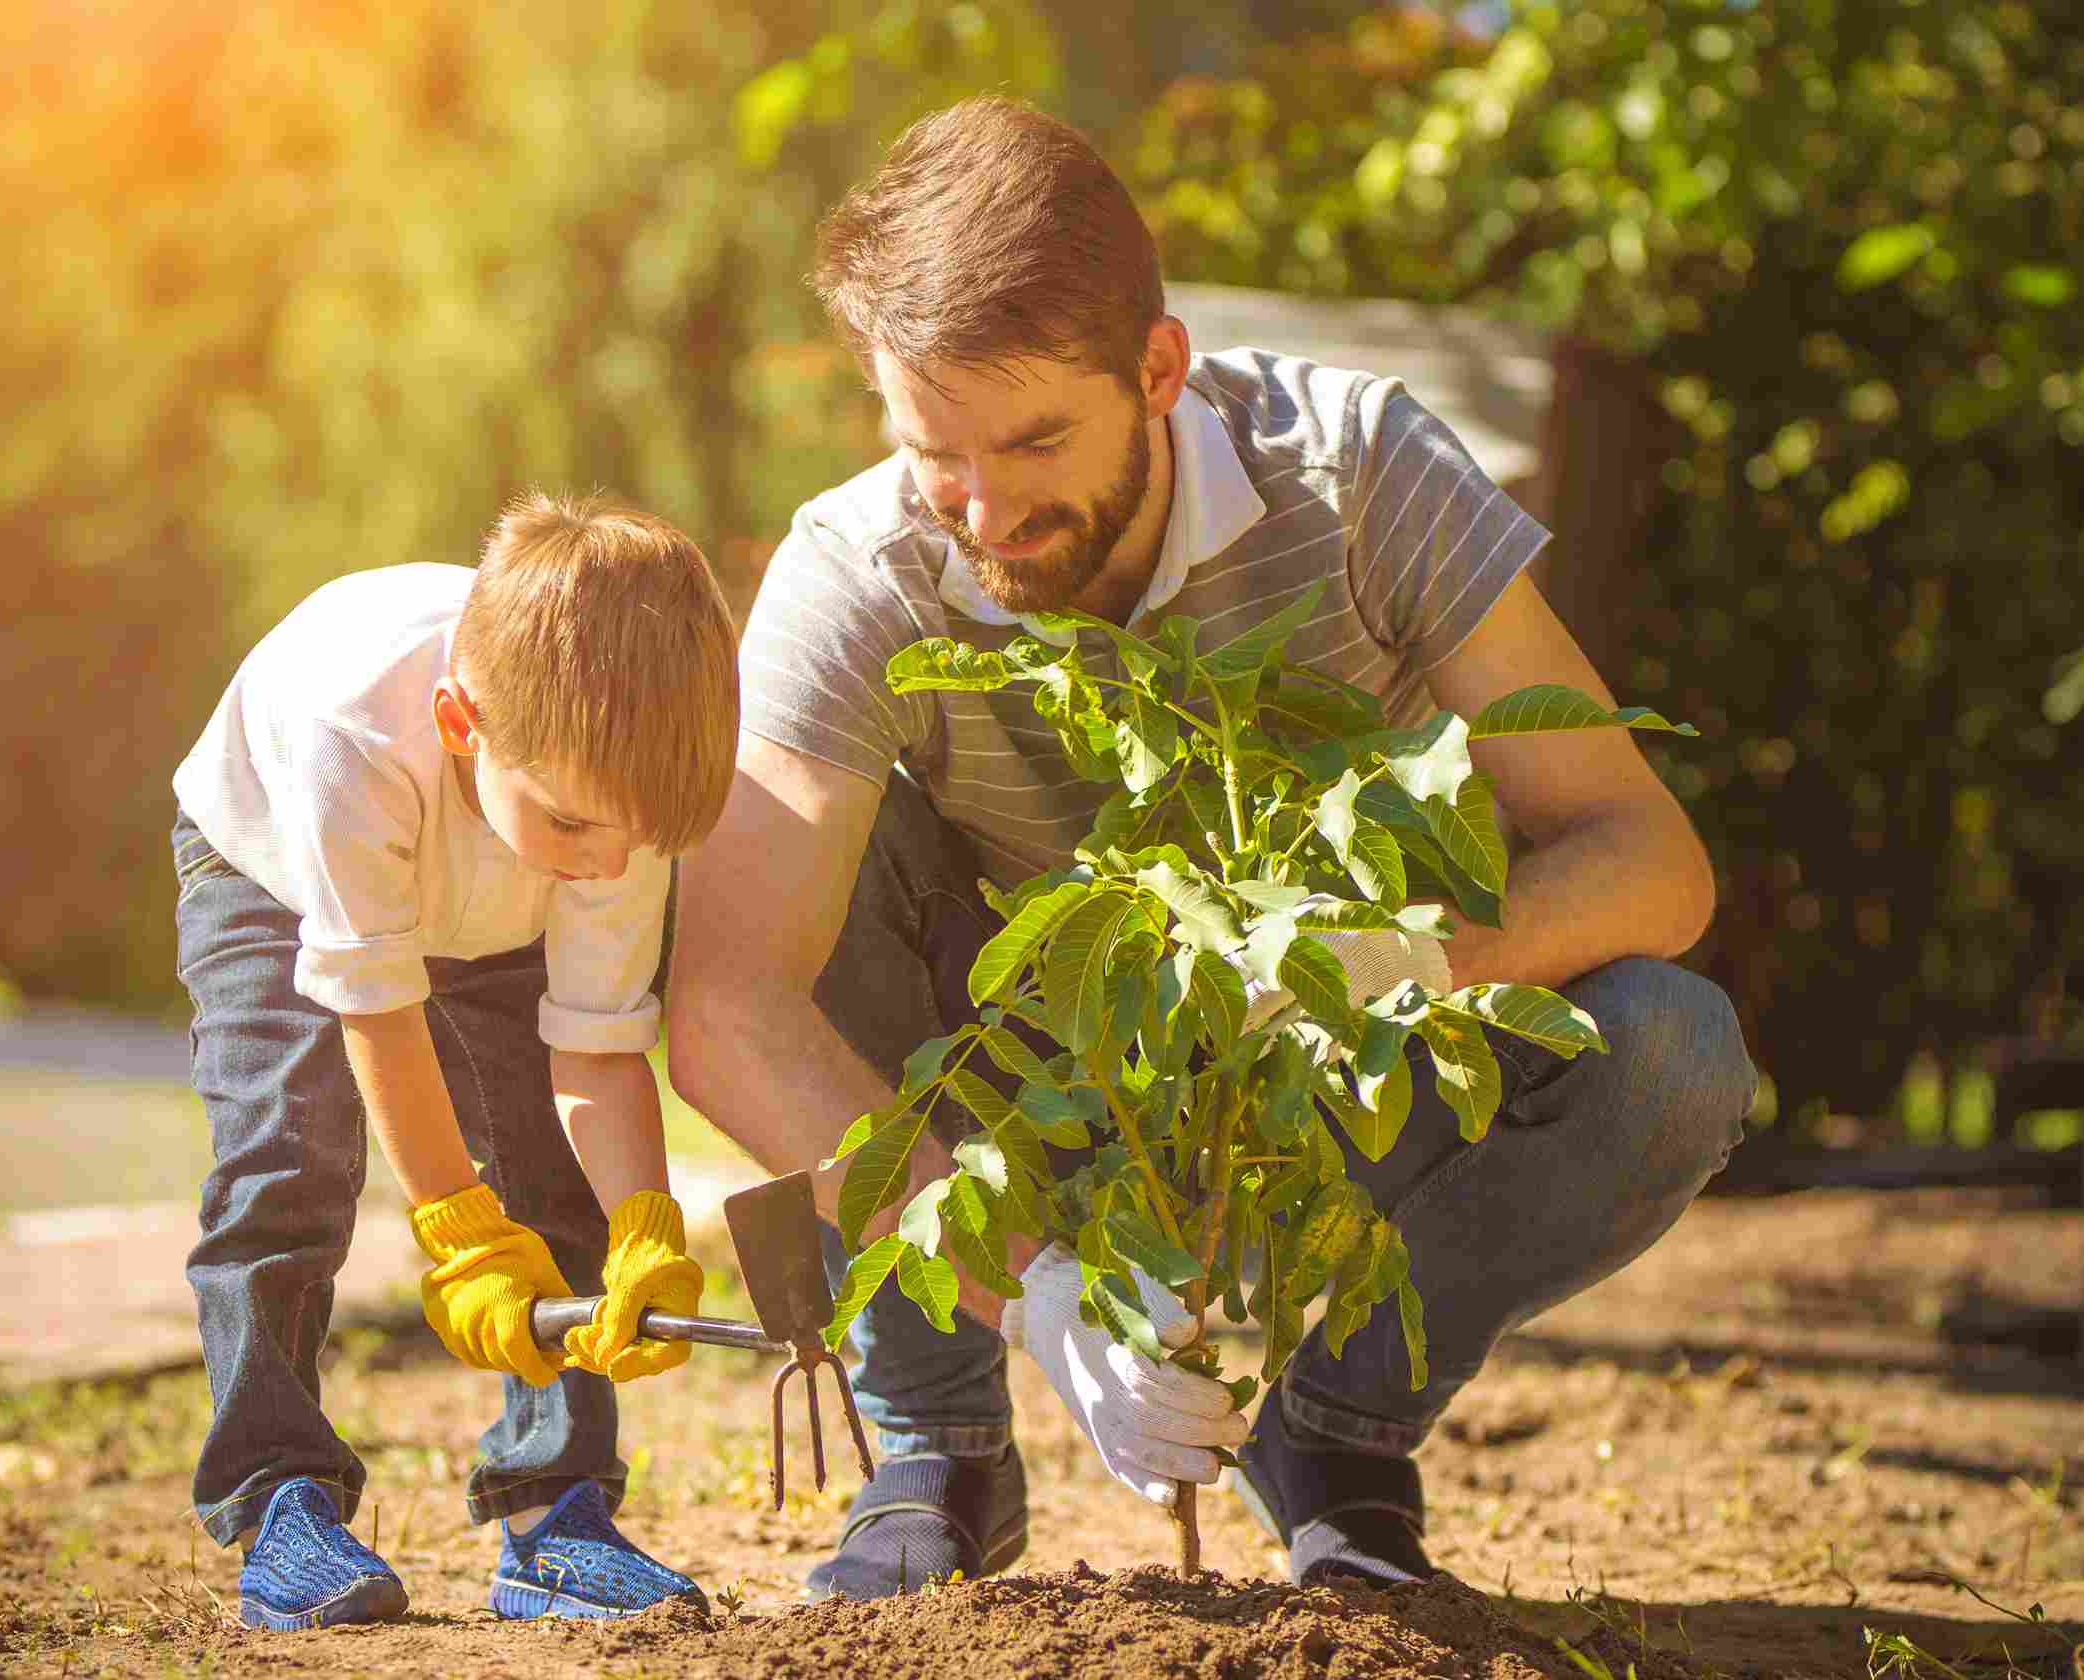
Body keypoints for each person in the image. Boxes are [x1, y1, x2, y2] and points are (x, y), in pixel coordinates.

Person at [668, 97, 1756, 1598]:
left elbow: (1647, 856)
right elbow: (725, 1004)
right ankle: (933, 1444)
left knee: (1671, 1049)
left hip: (1335, 1072)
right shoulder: (860, 571)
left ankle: (1334, 1436)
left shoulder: (1357, 473)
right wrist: (1031, 1287)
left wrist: (1383, 959)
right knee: (798, 861)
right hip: (1033, 1093)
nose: (984, 510)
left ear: (1158, 369)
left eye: (1036, 438)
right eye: (936, 453)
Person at [169, 491, 739, 1628]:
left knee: (555, 1172)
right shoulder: (352, 734)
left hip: (493, 895)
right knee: (287, 1160)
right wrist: (460, 1232)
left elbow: (596, 1045)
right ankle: (278, 1496)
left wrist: (642, 1223)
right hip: (276, 871)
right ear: (459, 722)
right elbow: (377, 1010)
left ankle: (556, 1511)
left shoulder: (603, 805)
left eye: (636, 838)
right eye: (581, 827)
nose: (610, 864)